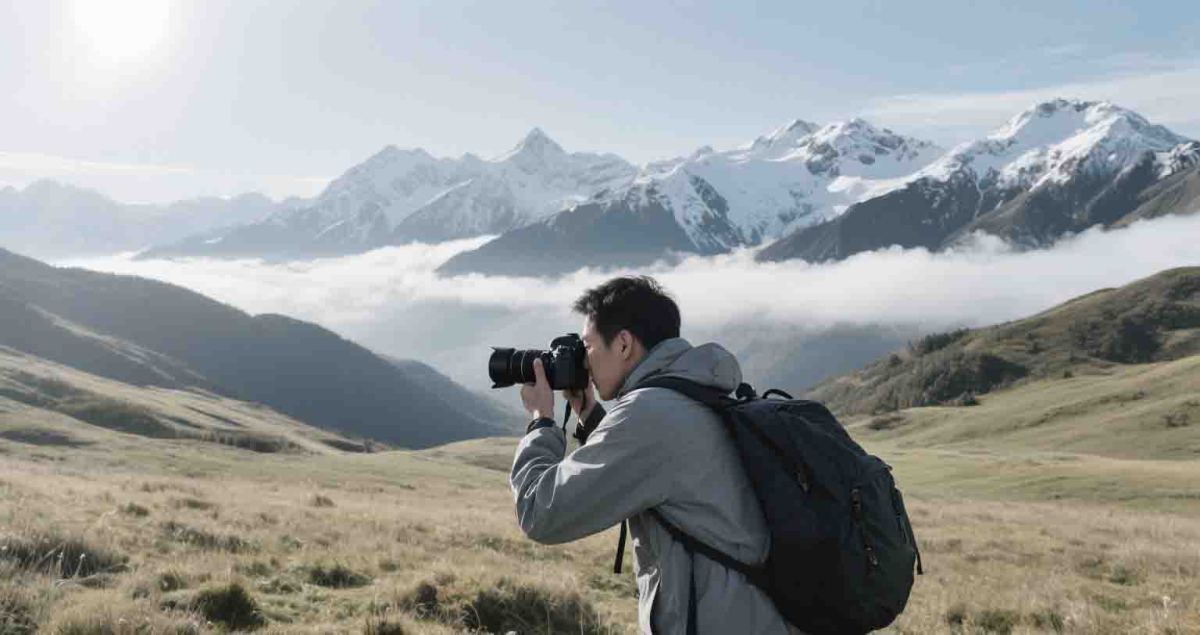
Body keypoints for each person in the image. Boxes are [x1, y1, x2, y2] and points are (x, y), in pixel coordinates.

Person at [509, 275, 793, 634]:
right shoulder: (697, 390)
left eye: (588, 346)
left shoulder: (650, 413)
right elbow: (651, 469)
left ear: (624, 344)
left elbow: (540, 512)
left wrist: (542, 422)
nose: (585, 363)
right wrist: (589, 414)